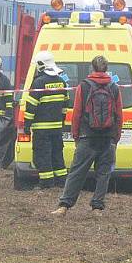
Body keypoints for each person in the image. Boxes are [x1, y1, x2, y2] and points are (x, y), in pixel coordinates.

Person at [52, 55, 123, 216]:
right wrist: (116, 137)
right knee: (103, 173)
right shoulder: (114, 87)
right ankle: (97, 207)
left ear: (92, 68)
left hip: (87, 136)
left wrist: (76, 135)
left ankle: (64, 206)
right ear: (107, 68)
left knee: (77, 172)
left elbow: (77, 113)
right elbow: (119, 114)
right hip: (108, 137)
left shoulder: (83, 86)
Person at [24, 51, 69, 188]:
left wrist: (27, 125)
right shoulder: (61, 82)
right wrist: (60, 122)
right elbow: (65, 105)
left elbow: (31, 106)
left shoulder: (38, 83)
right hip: (56, 128)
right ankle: (61, 182)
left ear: (40, 65)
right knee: (57, 154)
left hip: (41, 129)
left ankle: (46, 183)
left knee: (42, 155)